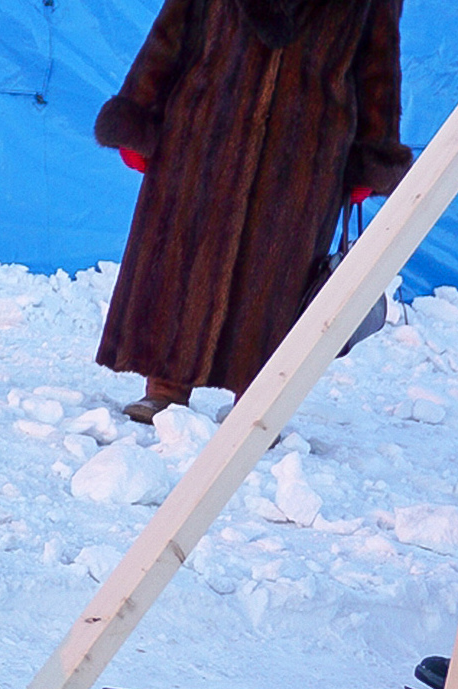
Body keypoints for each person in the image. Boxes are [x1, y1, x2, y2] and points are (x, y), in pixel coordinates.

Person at [94, 0, 410, 424]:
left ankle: (257, 402)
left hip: (307, 147)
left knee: (279, 272)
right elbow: (173, 29)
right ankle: (166, 388)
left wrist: (373, 152)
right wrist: (140, 110)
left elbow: (378, 67)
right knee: (181, 254)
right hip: (203, 127)